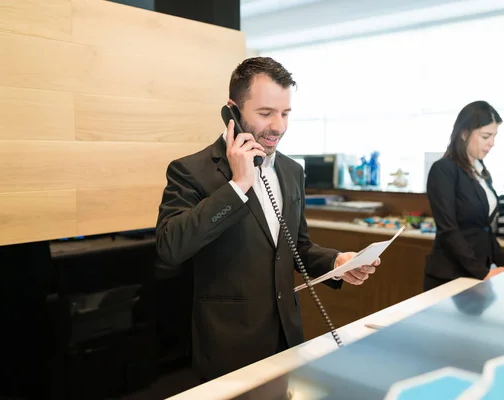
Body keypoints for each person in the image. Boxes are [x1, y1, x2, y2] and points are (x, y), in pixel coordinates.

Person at [155, 57, 380, 382]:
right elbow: (170, 247)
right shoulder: (190, 171)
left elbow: (295, 245)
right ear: (232, 110)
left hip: (286, 338)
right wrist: (238, 186)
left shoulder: (291, 170)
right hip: (227, 346)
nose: (279, 126)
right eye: (265, 113)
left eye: (285, 113)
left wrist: (337, 262)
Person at [424, 100, 504, 291]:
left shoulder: (480, 170)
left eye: (495, 136)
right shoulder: (443, 169)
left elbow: (483, 228)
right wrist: (482, 272)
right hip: (451, 275)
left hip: (477, 273)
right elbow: (448, 229)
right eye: (486, 136)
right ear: (464, 134)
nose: (492, 143)